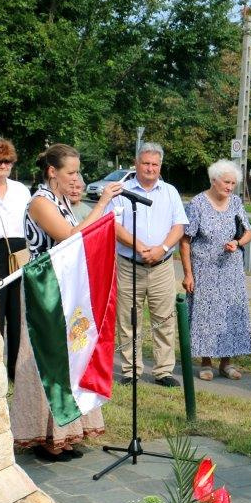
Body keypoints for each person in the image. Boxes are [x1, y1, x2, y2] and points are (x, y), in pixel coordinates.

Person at [10, 144, 123, 460]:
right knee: (46, 359)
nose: (77, 177)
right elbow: (71, 236)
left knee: (70, 356)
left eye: (78, 171)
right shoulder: (39, 203)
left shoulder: (62, 201)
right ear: (52, 172)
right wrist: (102, 204)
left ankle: (67, 434)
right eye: (71, 172)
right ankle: (44, 436)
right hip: (43, 291)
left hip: (66, 288)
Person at [112, 142, 187, 388]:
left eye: (155, 164)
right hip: (128, 264)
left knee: (164, 319)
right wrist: (139, 246)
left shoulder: (170, 192)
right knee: (128, 318)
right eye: (146, 163)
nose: (150, 168)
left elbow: (179, 226)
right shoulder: (120, 190)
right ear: (136, 163)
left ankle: (163, 370)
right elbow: (113, 225)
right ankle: (130, 370)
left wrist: (162, 249)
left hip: (162, 265)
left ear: (160, 166)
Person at [180, 160, 251, 381]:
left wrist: (237, 243)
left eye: (233, 183)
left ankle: (226, 363)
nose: (230, 187)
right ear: (214, 180)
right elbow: (184, 241)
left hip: (231, 271)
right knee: (207, 316)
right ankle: (206, 362)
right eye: (226, 182)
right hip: (204, 270)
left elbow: (248, 232)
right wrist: (188, 273)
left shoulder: (236, 203)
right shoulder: (197, 204)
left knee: (230, 314)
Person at [0, 138, 32, 382]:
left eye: (7, 162)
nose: (2, 166)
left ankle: (16, 370)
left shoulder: (20, 190)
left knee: (17, 314)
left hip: (19, 252)